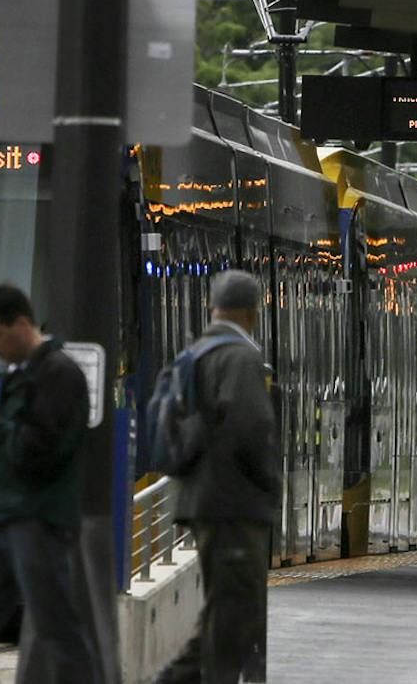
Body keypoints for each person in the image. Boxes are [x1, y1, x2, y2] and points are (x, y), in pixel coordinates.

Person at [154, 270, 280, 684]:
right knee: (235, 612)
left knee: (224, 606)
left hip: (200, 497)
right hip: (234, 503)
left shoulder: (196, 352)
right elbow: (251, 426)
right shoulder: (241, 357)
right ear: (252, 312)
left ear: (213, 308)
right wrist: (269, 484)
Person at [0, 283, 100, 684]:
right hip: (4, 516)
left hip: (37, 519)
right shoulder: (21, 372)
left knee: (56, 626)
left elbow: (40, 449)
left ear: (22, 324)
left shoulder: (58, 373)